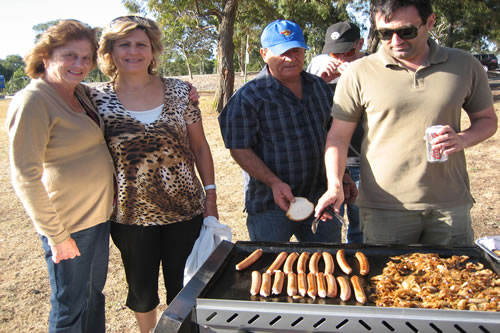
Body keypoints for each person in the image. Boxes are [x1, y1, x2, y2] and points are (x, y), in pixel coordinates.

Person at [315, 0, 497, 246]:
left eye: (406, 31)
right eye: (385, 33)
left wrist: (462, 138)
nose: (396, 40)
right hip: (385, 208)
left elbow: (486, 121)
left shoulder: (464, 65)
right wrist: (334, 185)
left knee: (457, 282)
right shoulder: (359, 72)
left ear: (430, 22)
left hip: (449, 205)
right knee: (385, 283)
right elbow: (338, 137)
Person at [88, 15, 217, 333]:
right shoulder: (94, 99)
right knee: (142, 293)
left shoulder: (180, 92)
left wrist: (210, 196)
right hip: (130, 217)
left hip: (186, 212)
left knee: (185, 291)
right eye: (124, 44)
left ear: (153, 50)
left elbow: (200, 147)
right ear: (110, 51)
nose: (133, 51)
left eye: (141, 44)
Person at [6, 20, 115, 332]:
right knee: (70, 308)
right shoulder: (34, 100)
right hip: (69, 226)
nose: (79, 64)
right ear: (46, 57)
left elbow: (120, 93)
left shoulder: (80, 93)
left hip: (96, 219)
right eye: (69, 55)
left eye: (86, 57)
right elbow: (25, 176)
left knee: (93, 297)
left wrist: (180, 89)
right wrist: (57, 236)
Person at [219, 20, 356, 243]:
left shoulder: (319, 87)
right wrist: (273, 182)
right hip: (270, 206)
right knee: (270, 270)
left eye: (296, 50)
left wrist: (343, 175)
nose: (290, 58)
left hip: (321, 199)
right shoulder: (248, 98)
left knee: (325, 266)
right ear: (264, 54)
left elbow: (332, 135)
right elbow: (238, 148)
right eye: (282, 52)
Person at [306, 21, 365, 243]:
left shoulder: (371, 67)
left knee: (361, 225)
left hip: (362, 160)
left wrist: (355, 79)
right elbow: (304, 109)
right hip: (328, 162)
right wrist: (321, 82)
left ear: (360, 44)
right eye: (334, 53)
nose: (340, 59)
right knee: (328, 223)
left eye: (348, 51)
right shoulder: (317, 66)